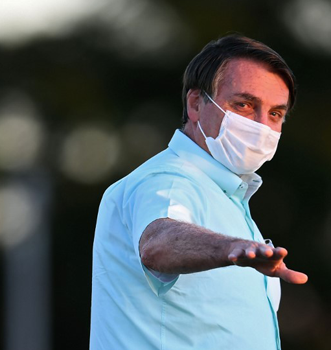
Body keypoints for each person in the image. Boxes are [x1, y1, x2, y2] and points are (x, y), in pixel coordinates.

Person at [90, 34, 308, 350]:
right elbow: (159, 240)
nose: (262, 125)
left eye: (275, 113)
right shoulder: (167, 179)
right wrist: (229, 248)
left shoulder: (227, 198)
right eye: (245, 105)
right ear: (196, 104)